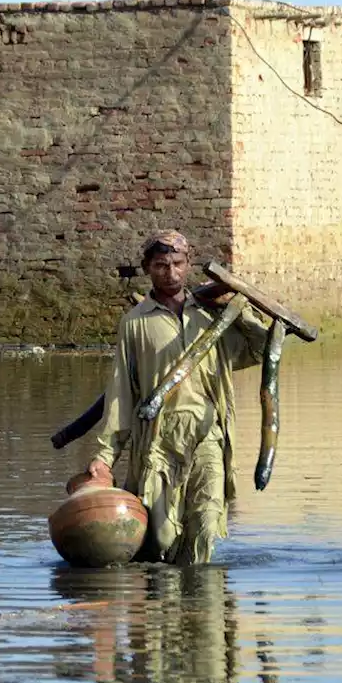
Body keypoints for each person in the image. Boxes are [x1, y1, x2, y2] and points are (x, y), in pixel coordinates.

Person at [83, 230, 270, 565]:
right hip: (158, 439)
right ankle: (166, 609)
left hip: (208, 432)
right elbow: (121, 393)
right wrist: (104, 457)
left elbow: (261, 350)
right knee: (163, 538)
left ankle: (204, 610)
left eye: (177, 264)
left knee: (205, 522)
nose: (170, 273)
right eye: (161, 265)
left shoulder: (211, 315)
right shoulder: (135, 324)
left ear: (189, 264)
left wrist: (240, 309)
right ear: (147, 268)